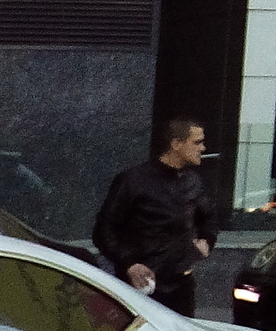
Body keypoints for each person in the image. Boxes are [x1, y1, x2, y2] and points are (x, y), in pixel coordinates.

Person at [94, 116, 219, 317]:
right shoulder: (133, 181)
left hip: (181, 285)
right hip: (142, 284)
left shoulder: (194, 182)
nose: (203, 148)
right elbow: (104, 229)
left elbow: (210, 218)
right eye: (197, 142)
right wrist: (130, 264)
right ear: (176, 144)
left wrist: (206, 241)